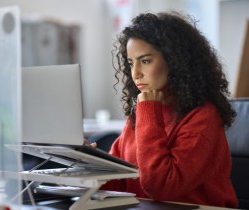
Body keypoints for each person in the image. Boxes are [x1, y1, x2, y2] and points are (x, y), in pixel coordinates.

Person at [100, 11, 238, 208]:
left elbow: (161, 186)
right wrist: (88, 163)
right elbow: (118, 180)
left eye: (145, 61)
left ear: (175, 61)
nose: (135, 73)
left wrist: (148, 112)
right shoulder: (141, 112)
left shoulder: (203, 116)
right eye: (131, 63)